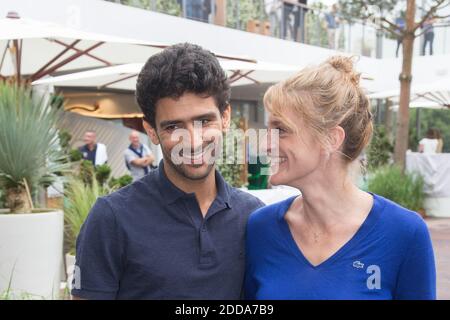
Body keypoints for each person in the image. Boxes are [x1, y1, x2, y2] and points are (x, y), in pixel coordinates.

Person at [71, 43, 265, 300]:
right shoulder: (111, 218)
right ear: (151, 130)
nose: (194, 141)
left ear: (225, 117)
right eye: (174, 126)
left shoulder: (255, 217)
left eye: (204, 121)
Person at [245, 56, 436, 300]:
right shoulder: (260, 228)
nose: (265, 145)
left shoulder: (405, 233)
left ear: (331, 139)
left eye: (280, 130)